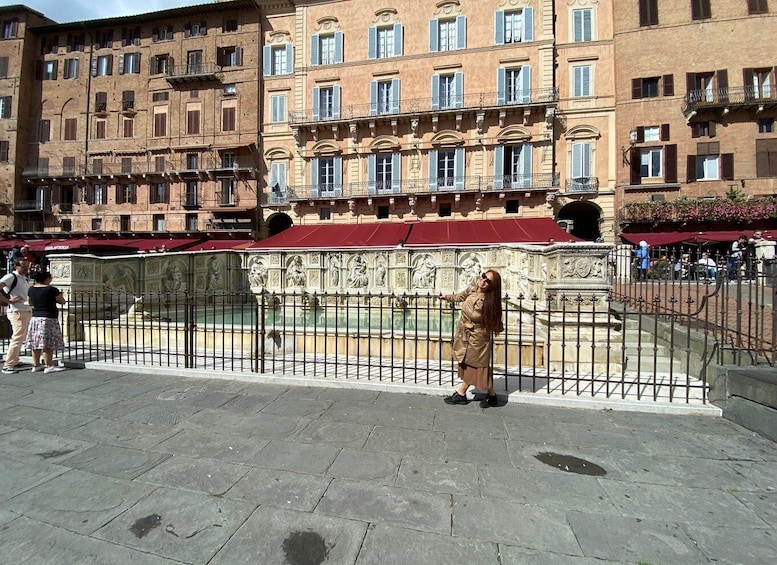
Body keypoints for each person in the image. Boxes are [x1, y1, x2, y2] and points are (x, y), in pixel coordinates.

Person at [440, 269, 504, 408]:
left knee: (475, 366)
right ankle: (492, 395)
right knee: (477, 366)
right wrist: (446, 297)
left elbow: (497, 325)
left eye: (488, 281)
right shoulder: (471, 290)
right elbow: (459, 297)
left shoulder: (490, 302)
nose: (484, 281)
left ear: (492, 286)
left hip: (478, 338)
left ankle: (461, 393)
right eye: (483, 277)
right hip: (465, 335)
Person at [27, 271, 67, 373]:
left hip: (35, 317)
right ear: (47, 279)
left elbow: (30, 301)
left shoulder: (31, 289)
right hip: (48, 318)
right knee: (48, 343)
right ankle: (48, 365)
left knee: (35, 342)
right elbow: (62, 301)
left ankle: (36, 364)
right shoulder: (51, 289)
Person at [1, 259, 32, 374]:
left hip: (24, 310)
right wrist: (8, 300)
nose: (26, 268)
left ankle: (14, 360)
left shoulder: (24, 278)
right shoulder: (11, 277)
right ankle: (8, 364)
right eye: (23, 266)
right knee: (17, 337)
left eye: (27, 266)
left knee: (21, 337)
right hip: (16, 311)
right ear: (16, 266)